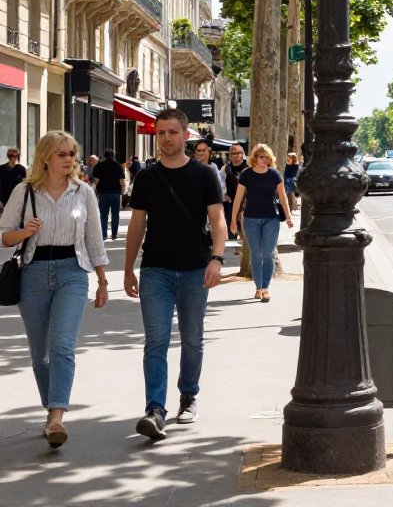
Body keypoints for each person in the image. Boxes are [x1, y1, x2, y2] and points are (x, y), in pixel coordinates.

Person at [0, 131, 109, 449]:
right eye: (62, 154)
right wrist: (23, 232)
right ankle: (52, 411)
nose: (69, 159)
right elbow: (4, 236)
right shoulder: (25, 191)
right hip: (33, 273)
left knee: (62, 346)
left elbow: (94, 240)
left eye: (72, 153)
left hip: (72, 273)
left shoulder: (84, 192)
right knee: (40, 355)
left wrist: (102, 281)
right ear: (46, 157)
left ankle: (57, 416)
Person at [123, 108, 228, 440]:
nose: (165, 139)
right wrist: (127, 269)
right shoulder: (146, 178)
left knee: (192, 340)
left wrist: (217, 259)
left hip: (196, 268)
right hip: (156, 269)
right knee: (156, 340)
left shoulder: (205, 174)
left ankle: (188, 395)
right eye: (160, 133)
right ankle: (155, 409)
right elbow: (137, 225)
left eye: (171, 133)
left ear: (186, 135)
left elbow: (219, 222)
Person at [231, 144, 293, 303]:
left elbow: (283, 197)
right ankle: (258, 287)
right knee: (256, 254)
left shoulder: (274, 175)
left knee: (268, 253)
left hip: (271, 219)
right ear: (255, 158)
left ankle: (266, 287)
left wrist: (288, 216)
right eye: (262, 157)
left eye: (267, 157)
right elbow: (238, 199)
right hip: (250, 219)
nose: (265, 160)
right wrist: (233, 220)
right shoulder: (246, 175)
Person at [91, 149, 127, 240]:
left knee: (103, 214)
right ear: (113, 156)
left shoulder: (99, 166)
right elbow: (122, 181)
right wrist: (122, 194)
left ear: (104, 156)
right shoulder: (118, 166)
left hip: (103, 193)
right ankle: (114, 234)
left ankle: (103, 234)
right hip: (115, 193)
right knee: (115, 214)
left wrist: (97, 190)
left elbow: (96, 180)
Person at [221, 144, 249, 244]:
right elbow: (220, 184)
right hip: (230, 205)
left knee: (246, 233)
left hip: (246, 205)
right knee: (231, 232)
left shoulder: (249, 167)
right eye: (232, 153)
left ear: (242, 154)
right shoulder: (225, 168)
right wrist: (224, 194)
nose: (234, 155)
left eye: (237, 153)